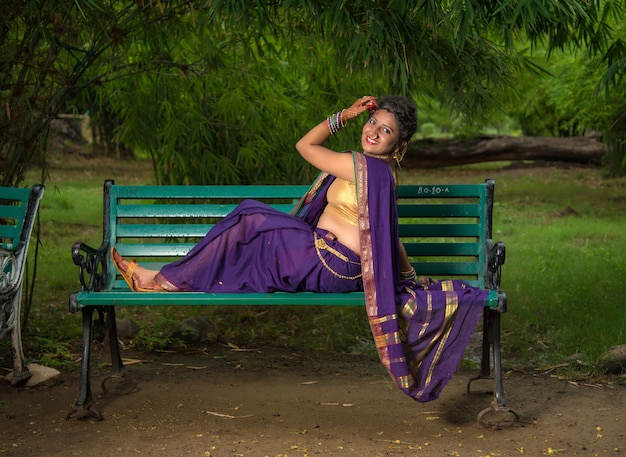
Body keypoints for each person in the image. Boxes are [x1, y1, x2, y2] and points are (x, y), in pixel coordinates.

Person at [112, 95, 489, 402]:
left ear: (399, 144)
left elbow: (304, 145)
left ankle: (162, 280)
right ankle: (166, 279)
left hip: (331, 263)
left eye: (385, 130)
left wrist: (341, 116)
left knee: (250, 218)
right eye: (373, 122)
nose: (373, 131)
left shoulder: (363, 168)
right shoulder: (381, 171)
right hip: (329, 260)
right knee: (251, 224)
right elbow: (389, 234)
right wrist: (407, 275)